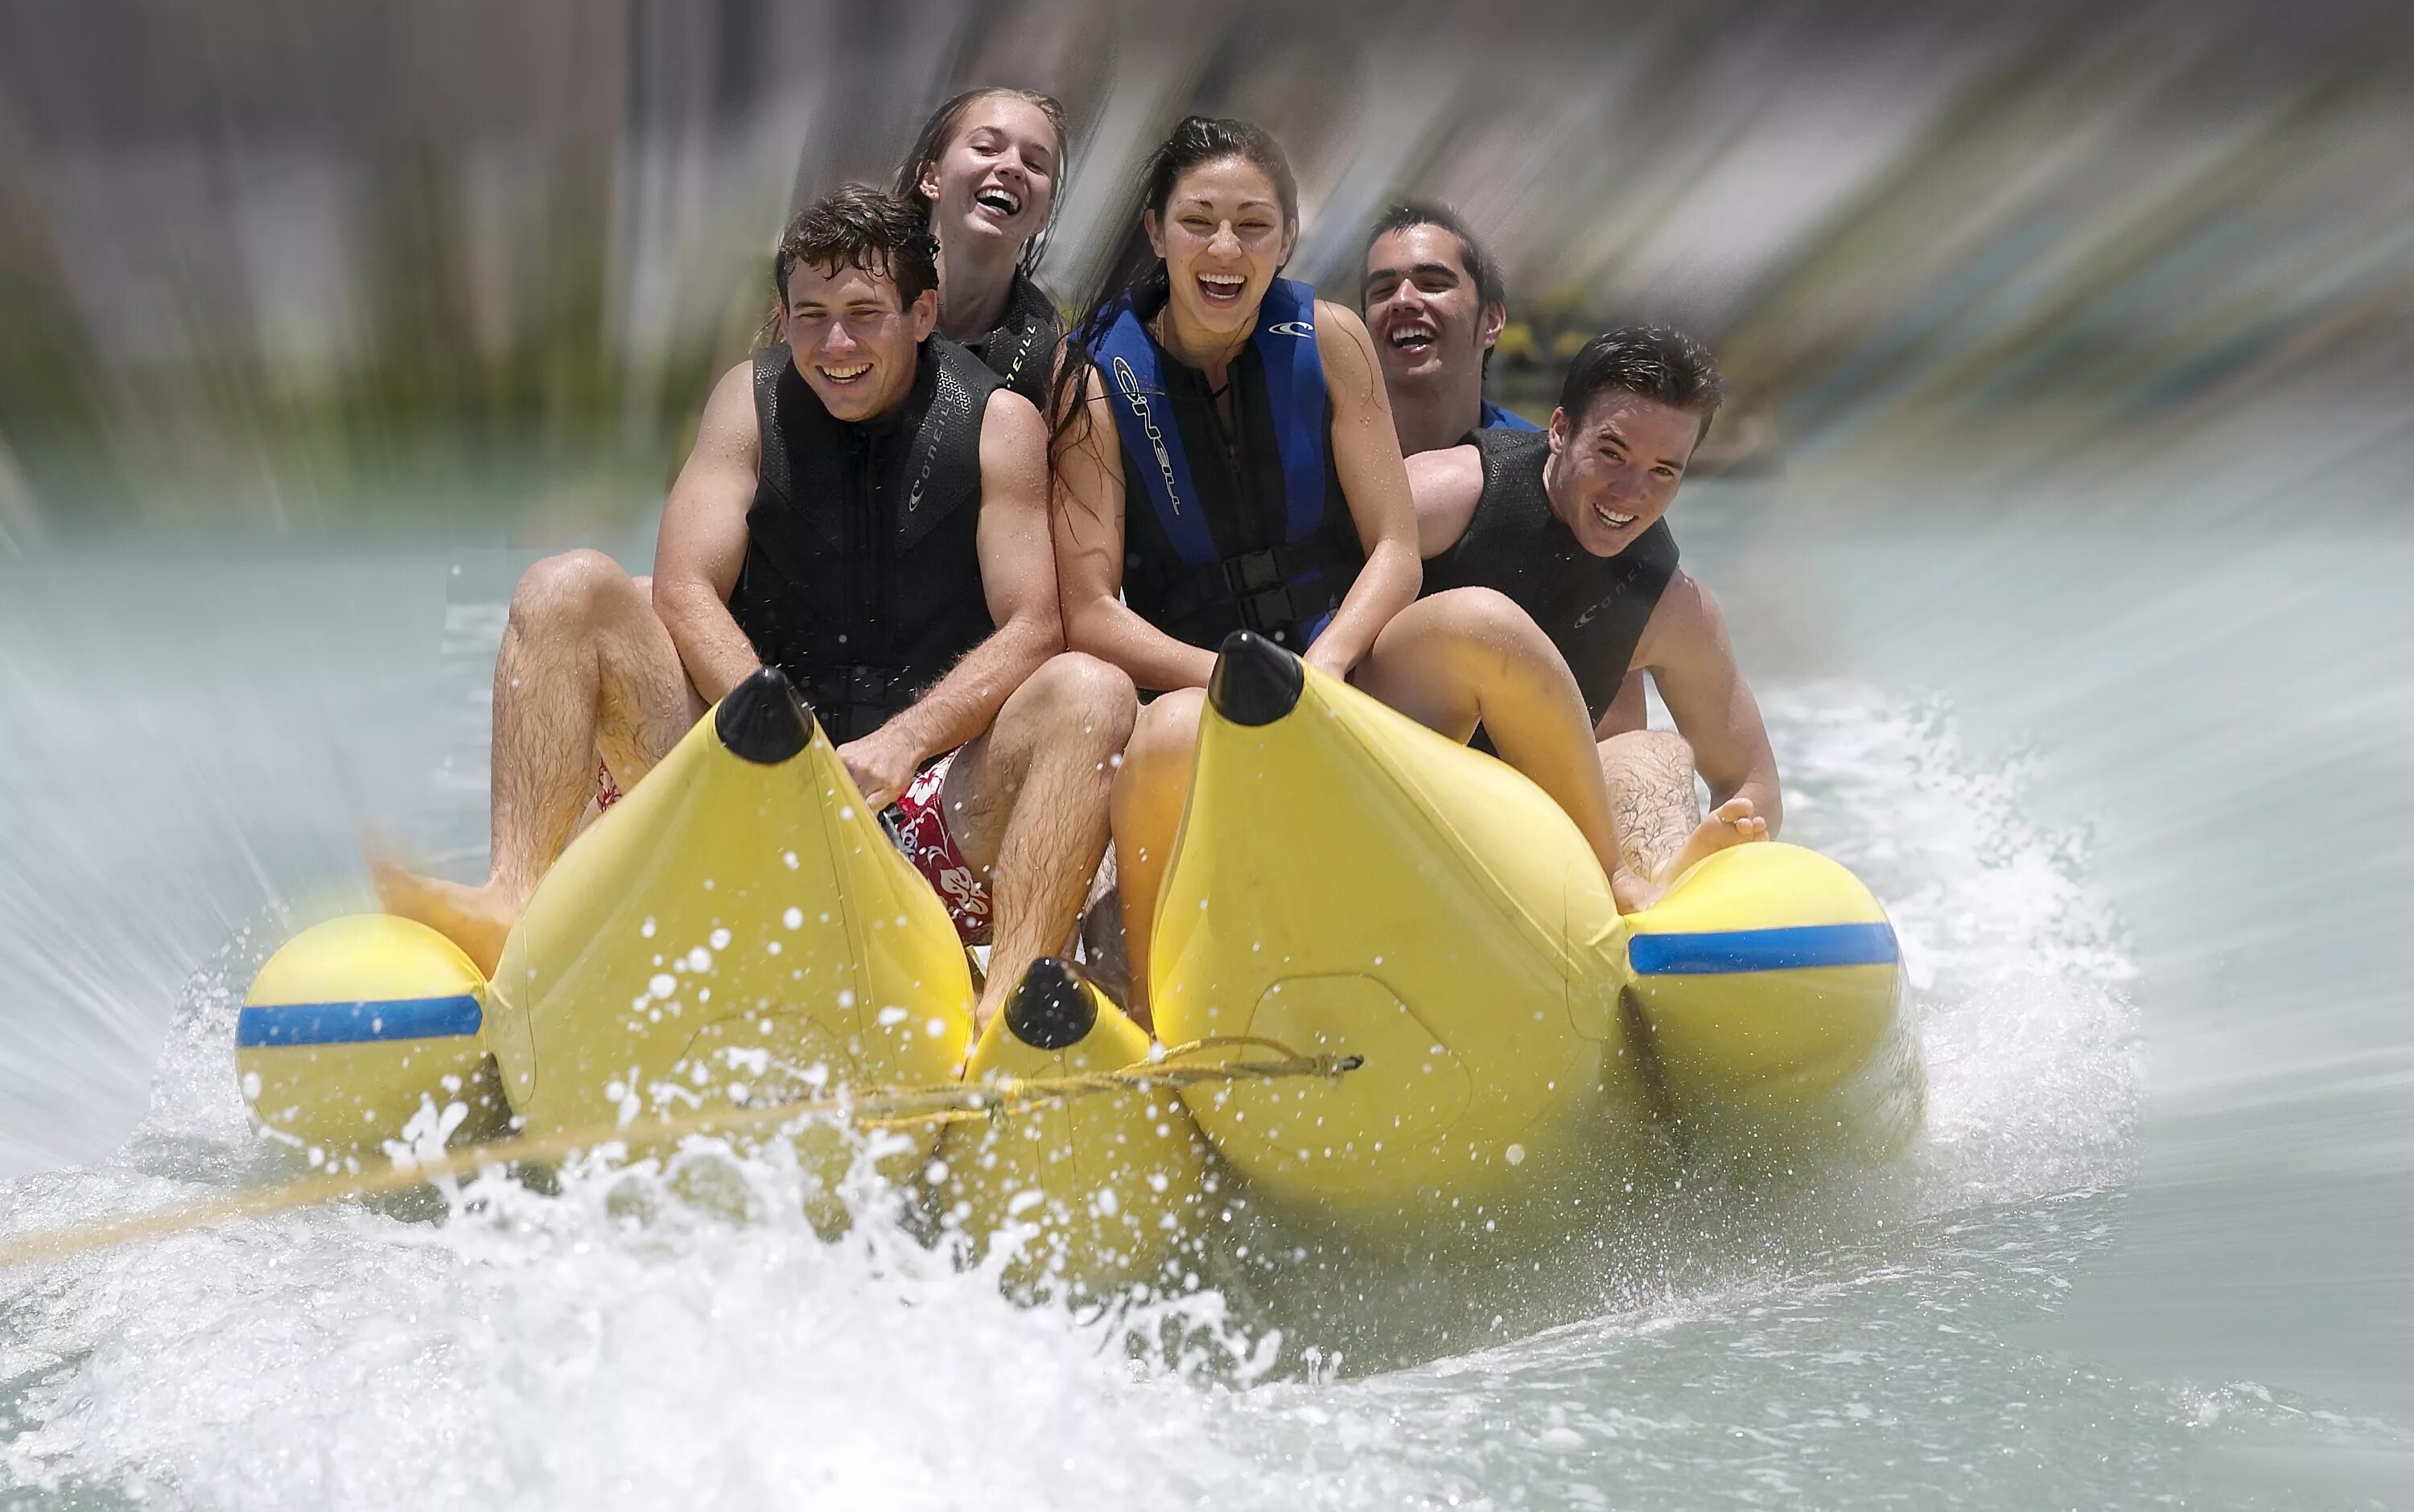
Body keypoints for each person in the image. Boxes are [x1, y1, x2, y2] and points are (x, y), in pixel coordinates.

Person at [377, 186, 1135, 1028]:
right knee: (566, 586)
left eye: (862, 312)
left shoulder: (1000, 424)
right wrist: (789, 749)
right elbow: (683, 587)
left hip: (921, 809)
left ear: (922, 313)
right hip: (744, 774)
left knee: (1094, 690)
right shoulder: (749, 400)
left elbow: (1035, 625)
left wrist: (900, 744)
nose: (835, 342)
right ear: (783, 316)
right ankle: (512, 906)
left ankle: (1009, 1011)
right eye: (810, 314)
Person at [1048, 117, 1749, 1028]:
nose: (1226, 247)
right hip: (1198, 688)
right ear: (1155, 231)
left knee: (1484, 623)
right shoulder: (1097, 381)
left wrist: (1327, 664)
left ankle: (1610, 885)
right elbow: (1092, 610)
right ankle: (1151, 1008)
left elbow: (1391, 550)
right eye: (1199, 221)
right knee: (1176, 732)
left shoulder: (1332, 342)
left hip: (1349, 678)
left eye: (1253, 223)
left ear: (1288, 239)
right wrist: (1234, 678)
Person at [1411, 325, 1779, 885]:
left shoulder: (1670, 605)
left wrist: (1734, 839)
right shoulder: (1449, 494)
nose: (1631, 493)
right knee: (1485, 625)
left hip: (1523, 824)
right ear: (1560, 431)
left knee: (1652, 750)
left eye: (1663, 471)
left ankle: (1666, 894)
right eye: (1612, 453)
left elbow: (1750, 781)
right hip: (1397, 759)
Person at [892, 86, 1069, 409]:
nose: (1012, 166)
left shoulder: (1053, 361)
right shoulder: (851, 289)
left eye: (1034, 163)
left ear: (1044, 214)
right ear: (931, 178)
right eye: (986, 148)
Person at [1359, 201, 1537, 457]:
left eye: (1432, 283)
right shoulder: (1309, 464)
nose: (1402, 300)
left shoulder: (1542, 472)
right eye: (1384, 289)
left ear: (1492, 320)